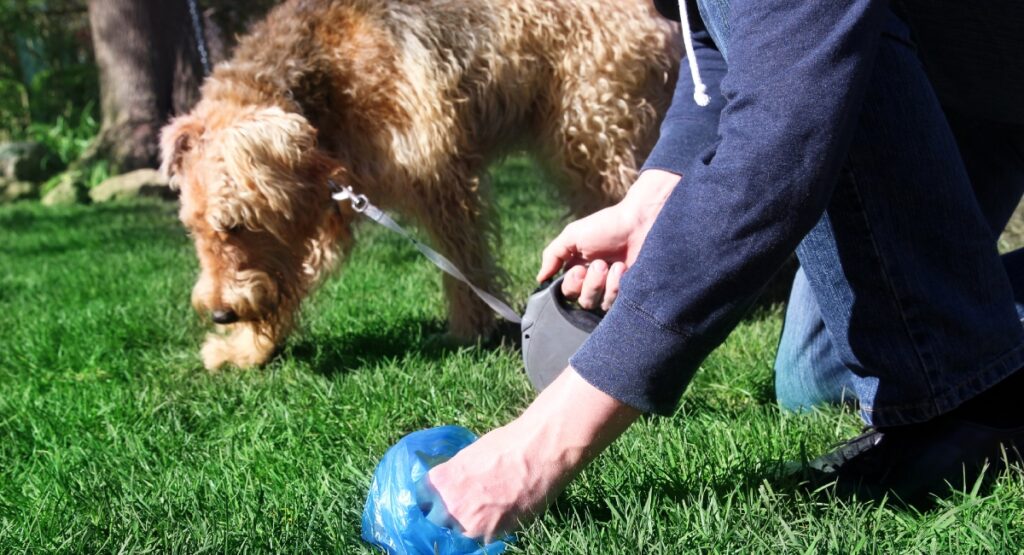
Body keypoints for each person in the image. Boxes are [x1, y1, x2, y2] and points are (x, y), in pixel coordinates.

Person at [426, 0, 1024, 541]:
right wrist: (649, 200)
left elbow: (777, 153)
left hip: (965, 86)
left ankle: (974, 404)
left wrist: (535, 451)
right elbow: (716, 41)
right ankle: (975, 338)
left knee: (935, 386)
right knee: (816, 380)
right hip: (943, 87)